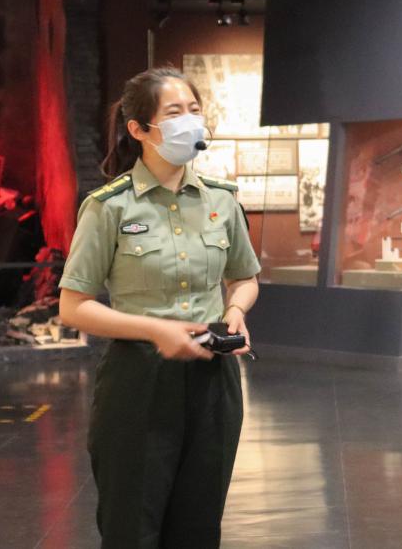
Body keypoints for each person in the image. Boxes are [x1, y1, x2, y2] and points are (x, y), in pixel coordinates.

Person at [59, 67, 261, 548]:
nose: (189, 120)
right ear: (139, 128)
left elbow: (244, 277)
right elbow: (74, 306)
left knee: (199, 527)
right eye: (174, 112)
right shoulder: (109, 207)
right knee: (133, 527)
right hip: (138, 379)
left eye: (194, 110)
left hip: (213, 380)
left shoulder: (221, 199)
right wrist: (156, 330)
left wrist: (235, 311)